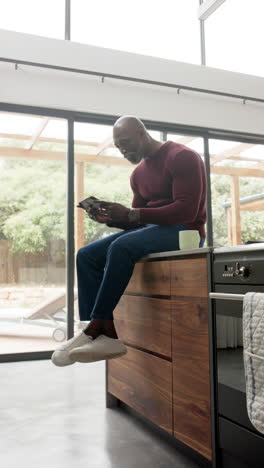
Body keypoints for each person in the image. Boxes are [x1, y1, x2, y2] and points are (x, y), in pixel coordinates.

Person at [51, 115, 207, 367]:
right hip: (155, 231)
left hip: (184, 231)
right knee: (86, 255)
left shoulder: (182, 157)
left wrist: (133, 214)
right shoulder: (138, 175)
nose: (123, 150)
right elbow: (137, 222)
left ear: (142, 133)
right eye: (118, 146)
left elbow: (187, 210)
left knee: (120, 246)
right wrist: (111, 219)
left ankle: (100, 329)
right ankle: (93, 329)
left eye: (126, 142)